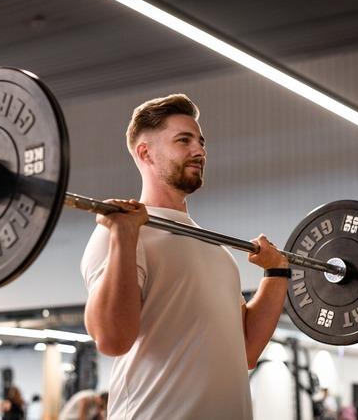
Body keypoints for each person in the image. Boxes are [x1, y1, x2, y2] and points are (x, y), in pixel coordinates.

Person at [81, 94, 290, 419]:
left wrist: (277, 274)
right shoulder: (121, 229)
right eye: (184, 140)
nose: (200, 151)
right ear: (145, 152)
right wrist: (123, 235)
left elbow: (245, 350)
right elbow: (111, 339)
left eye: (201, 142)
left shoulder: (216, 250)